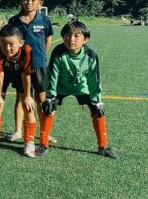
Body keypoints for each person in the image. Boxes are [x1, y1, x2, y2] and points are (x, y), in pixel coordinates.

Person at [38, 21, 118, 159]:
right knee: (48, 108)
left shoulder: (91, 55)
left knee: (98, 111)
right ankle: (43, 145)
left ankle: (103, 146)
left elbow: (94, 79)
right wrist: (50, 96)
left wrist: (97, 101)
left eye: (76, 36)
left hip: (82, 87)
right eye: (67, 35)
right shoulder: (58, 52)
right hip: (61, 87)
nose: (71, 39)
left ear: (85, 39)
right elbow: (52, 75)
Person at [4, 0, 54, 143]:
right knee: (20, 98)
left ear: (40, 2)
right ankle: (18, 131)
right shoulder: (14, 20)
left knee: (41, 98)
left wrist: (41, 55)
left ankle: (44, 132)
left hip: (39, 64)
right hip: (19, 66)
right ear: (21, 1)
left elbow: (48, 39)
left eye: (33, 0)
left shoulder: (44, 20)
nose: (29, 3)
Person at [0, 26, 37, 157]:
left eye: (11, 44)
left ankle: (29, 143)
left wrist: (28, 96)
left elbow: (26, 74)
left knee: (28, 106)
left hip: (21, 75)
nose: (7, 48)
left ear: (21, 43)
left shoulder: (27, 50)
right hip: (4, 75)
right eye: (3, 44)